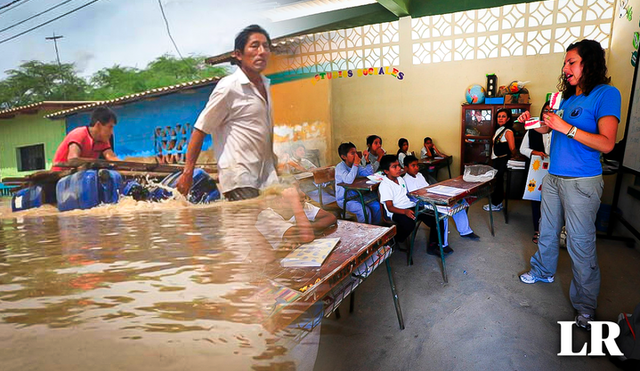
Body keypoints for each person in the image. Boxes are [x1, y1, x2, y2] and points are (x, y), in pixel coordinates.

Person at [518, 39, 621, 330]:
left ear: (589, 63)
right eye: (565, 63)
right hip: (554, 176)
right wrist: (533, 124)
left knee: (580, 243)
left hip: (582, 182)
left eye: (571, 62)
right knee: (547, 231)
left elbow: (607, 143)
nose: (565, 68)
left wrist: (568, 128)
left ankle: (585, 306)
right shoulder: (564, 98)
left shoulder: (606, 94)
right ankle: (543, 271)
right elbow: (549, 129)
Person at [177, 25, 278, 201]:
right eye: (254, 46)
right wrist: (187, 173)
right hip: (240, 178)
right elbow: (200, 129)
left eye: (266, 46)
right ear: (238, 54)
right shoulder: (229, 87)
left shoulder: (266, 86)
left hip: (265, 178)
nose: (261, 51)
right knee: (250, 226)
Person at [378, 155, 449, 256]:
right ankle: (394, 240)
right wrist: (405, 212)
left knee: (437, 217)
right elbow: (390, 207)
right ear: (386, 171)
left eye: (398, 165)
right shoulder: (385, 185)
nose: (399, 168)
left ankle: (434, 246)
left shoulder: (400, 179)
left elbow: (406, 196)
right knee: (409, 224)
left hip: (409, 206)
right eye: (394, 167)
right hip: (396, 211)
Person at [402, 155, 480, 246]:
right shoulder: (405, 180)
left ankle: (465, 231)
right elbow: (416, 196)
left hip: (431, 197)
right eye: (413, 165)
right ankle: (442, 244)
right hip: (422, 203)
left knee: (458, 203)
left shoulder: (419, 175)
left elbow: (428, 187)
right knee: (443, 214)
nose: (416, 168)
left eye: (417, 165)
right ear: (406, 168)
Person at [256, 184, 337, 249]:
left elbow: (330, 218)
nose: (303, 194)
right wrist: (295, 203)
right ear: (278, 201)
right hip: (276, 262)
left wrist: (307, 228)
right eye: (293, 195)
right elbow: (307, 237)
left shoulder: (301, 206)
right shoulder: (267, 216)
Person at [519, 101, 552, 244]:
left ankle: (552, 232)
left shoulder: (561, 130)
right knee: (536, 199)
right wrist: (534, 152)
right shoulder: (533, 129)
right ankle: (537, 230)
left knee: (553, 202)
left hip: (555, 169)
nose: (548, 113)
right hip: (537, 170)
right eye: (546, 110)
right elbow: (522, 149)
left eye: (552, 111)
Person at [51, 107, 120, 171]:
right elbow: (72, 159)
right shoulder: (79, 134)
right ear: (98, 125)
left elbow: (112, 159)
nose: (111, 132)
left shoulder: (102, 140)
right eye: (110, 127)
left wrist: (129, 164)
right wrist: (98, 163)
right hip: (60, 176)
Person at [335, 142, 382, 224]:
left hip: (356, 195)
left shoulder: (355, 165)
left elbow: (369, 173)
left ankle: (376, 228)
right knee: (364, 211)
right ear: (344, 156)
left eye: (356, 153)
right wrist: (356, 164)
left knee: (376, 205)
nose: (356, 156)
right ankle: (365, 232)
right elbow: (348, 180)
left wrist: (367, 161)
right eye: (353, 153)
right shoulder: (340, 167)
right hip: (345, 199)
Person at [483, 108, 517, 211]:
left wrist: (515, 155)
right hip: (496, 159)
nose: (500, 118)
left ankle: (496, 204)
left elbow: (512, 148)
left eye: (503, 116)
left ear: (508, 119)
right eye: (499, 116)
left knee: (499, 182)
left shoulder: (508, 131)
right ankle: (496, 202)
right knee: (496, 181)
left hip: (502, 160)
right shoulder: (499, 129)